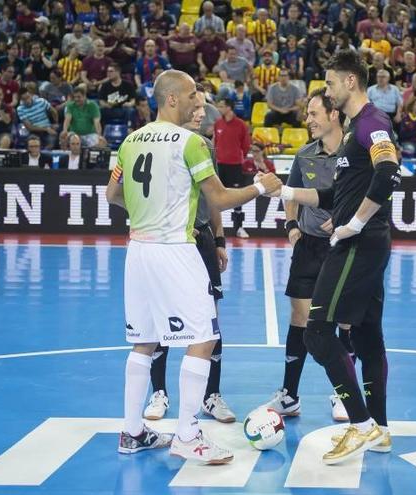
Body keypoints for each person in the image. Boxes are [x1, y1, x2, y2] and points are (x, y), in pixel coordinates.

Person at [104, 69, 280, 463]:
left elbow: (112, 193)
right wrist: (259, 188)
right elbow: (216, 199)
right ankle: (187, 434)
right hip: (175, 251)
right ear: (171, 99)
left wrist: (147, 209)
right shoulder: (192, 142)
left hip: (139, 250)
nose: (197, 105)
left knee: (144, 342)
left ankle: (132, 432)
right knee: (204, 337)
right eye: (191, 98)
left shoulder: (130, 141)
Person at [265, 50, 397, 464]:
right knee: (369, 337)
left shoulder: (372, 123)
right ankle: (380, 430)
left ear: (350, 82)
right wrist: (285, 193)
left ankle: (359, 426)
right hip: (366, 241)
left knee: (318, 332)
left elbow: (389, 172)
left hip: (359, 244)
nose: (328, 89)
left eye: (331, 83)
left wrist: (354, 223)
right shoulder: (356, 129)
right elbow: (331, 195)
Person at [258, 88, 356, 421]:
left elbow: (375, 194)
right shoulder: (305, 155)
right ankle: (290, 395)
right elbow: (293, 192)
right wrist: (291, 226)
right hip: (310, 246)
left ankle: (344, 393)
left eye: (314, 113)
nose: (308, 120)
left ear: (334, 114)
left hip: (345, 246)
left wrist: (347, 219)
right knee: (299, 319)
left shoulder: (357, 151)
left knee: (344, 318)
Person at [144, 84, 235, 425]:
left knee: (210, 319)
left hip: (202, 242)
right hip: (168, 242)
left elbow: (214, 196)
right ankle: (159, 392)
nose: (200, 114)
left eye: (203, 110)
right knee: (158, 318)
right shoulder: (155, 145)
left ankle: (211, 396)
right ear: (179, 105)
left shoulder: (204, 146)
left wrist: (221, 238)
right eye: (195, 108)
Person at [213, 97, 252, 238]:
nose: (219, 108)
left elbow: (246, 146)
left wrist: (237, 156)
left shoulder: (241, 125)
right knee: (214, 198)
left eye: (221, 105)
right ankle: (215, 230)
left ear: (229, 107)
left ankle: (239, 228)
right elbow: (215, 143)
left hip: (235, 166)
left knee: (237, 198)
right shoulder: (218, 124)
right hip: (219, 166)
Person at [98, 63, 138, 127]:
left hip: (123, 109)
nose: (108, 73)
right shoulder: (104, 85)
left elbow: (133, 100)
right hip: (110, 110)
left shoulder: (128, 85)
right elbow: (101, 101)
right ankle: (103, 132)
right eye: (107, 71)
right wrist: (106, 105)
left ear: (118, 72)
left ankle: (129, 129)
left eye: (111, 71)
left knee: (131, 111)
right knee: (100, 111)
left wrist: (129, 104)